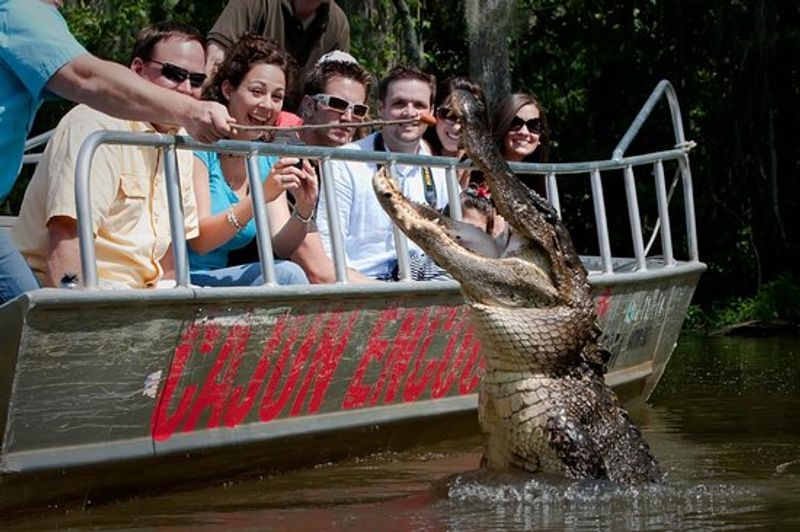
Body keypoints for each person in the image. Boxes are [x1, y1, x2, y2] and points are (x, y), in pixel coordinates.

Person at [0, 0, 233, 305]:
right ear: (137, 69)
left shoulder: (179, 142)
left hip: (138, 301)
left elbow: (167, 261)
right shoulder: (95, 127)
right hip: (87, 295)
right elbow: (66, 246)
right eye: (174, 74)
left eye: (197, 80)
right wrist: (79, 320)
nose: (186, 88)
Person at [188, 36, 314, 286]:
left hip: (217, 279)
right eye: (257, 92)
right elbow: (200, 242)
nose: (267, 105)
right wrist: (259, 196)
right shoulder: (199, 146)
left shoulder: (264, 158)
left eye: (277, 97)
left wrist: (304, 208)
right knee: (287, 276)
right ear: (228, 90)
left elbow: (282, 245)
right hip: (179, 277)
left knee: (288, 272)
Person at [317, 65, 450, 280]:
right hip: (365, 282)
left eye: (419, 105)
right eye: (399, 103)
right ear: (381, 108)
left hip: (424, 279)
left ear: (431, 112)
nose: (410, 113)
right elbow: (329, 249)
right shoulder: (345, 161)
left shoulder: (439, 169)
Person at [287, 51, 375, 283]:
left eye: (358, 110)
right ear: (308, 105)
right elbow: (317, 270)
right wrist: (399, 294)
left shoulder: (360, 164)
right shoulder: (287, 160)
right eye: (337, 104)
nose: (348, 117)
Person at [206, 0, 350, 110]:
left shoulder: (337, 23)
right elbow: (214, 62)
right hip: (232, 119)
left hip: (296, 130)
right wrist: (208, 109)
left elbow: (343, 93)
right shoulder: (256, 4)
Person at [423, 76, 488, 189]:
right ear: (434, 112)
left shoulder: (485, 171)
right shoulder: (416, 154)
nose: (457, 126)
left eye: (469, 118)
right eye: (448, 114)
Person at [491, 92, 549, 195]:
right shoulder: (474, 170)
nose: (524, 132)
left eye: (534, 125)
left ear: (541, 136)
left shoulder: (549, 180)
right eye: (515, 123)